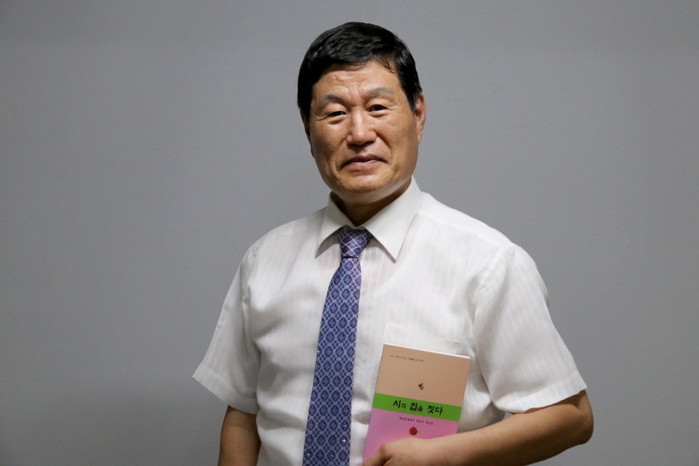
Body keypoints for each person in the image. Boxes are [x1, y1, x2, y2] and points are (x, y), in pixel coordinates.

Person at [194, 21, 593, 466]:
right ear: (308, 127)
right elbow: (243, 412)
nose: (359, 133)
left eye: (378, 107)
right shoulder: (264, 260)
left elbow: (571, 418)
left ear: (418, 114)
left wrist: (445, 456)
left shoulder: (488, 263)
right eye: (335, 113)